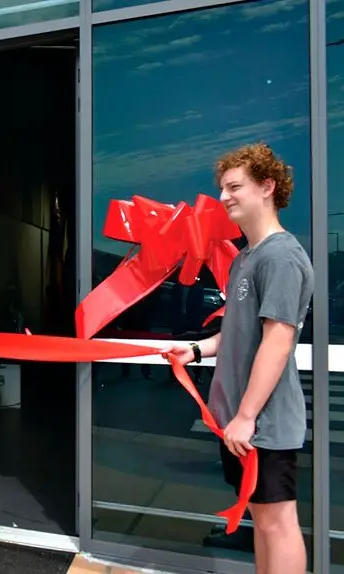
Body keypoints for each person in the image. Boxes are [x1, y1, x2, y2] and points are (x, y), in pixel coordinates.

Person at [161, 143, 313, 574]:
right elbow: (237, 332)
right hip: (237, 423)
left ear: (267, 187)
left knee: (278, 522)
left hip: (261, 425)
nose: (224, 196)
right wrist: (193, 350)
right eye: (222, 188)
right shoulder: (247, 258)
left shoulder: (282, 258)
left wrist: (247, 416)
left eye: (234, 187)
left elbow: (278, 342)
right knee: (262, 522)